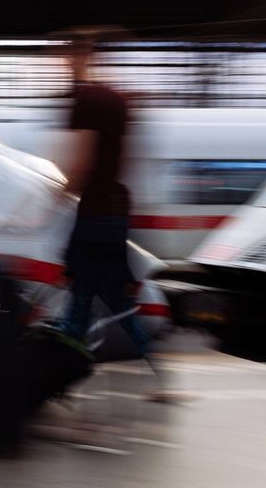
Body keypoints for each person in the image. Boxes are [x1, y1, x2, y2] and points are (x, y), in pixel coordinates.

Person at [53, 27, 168, 399]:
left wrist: (49, 201)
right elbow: (128, 159)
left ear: (77, 57)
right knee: (107, 298)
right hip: (118, 209)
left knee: (81, 296)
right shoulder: (117, 98)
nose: (61, 64)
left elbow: (82, 164)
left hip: (95, 212)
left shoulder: (84, 100)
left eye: (65, 57)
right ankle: (159, 376)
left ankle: (57, 383)